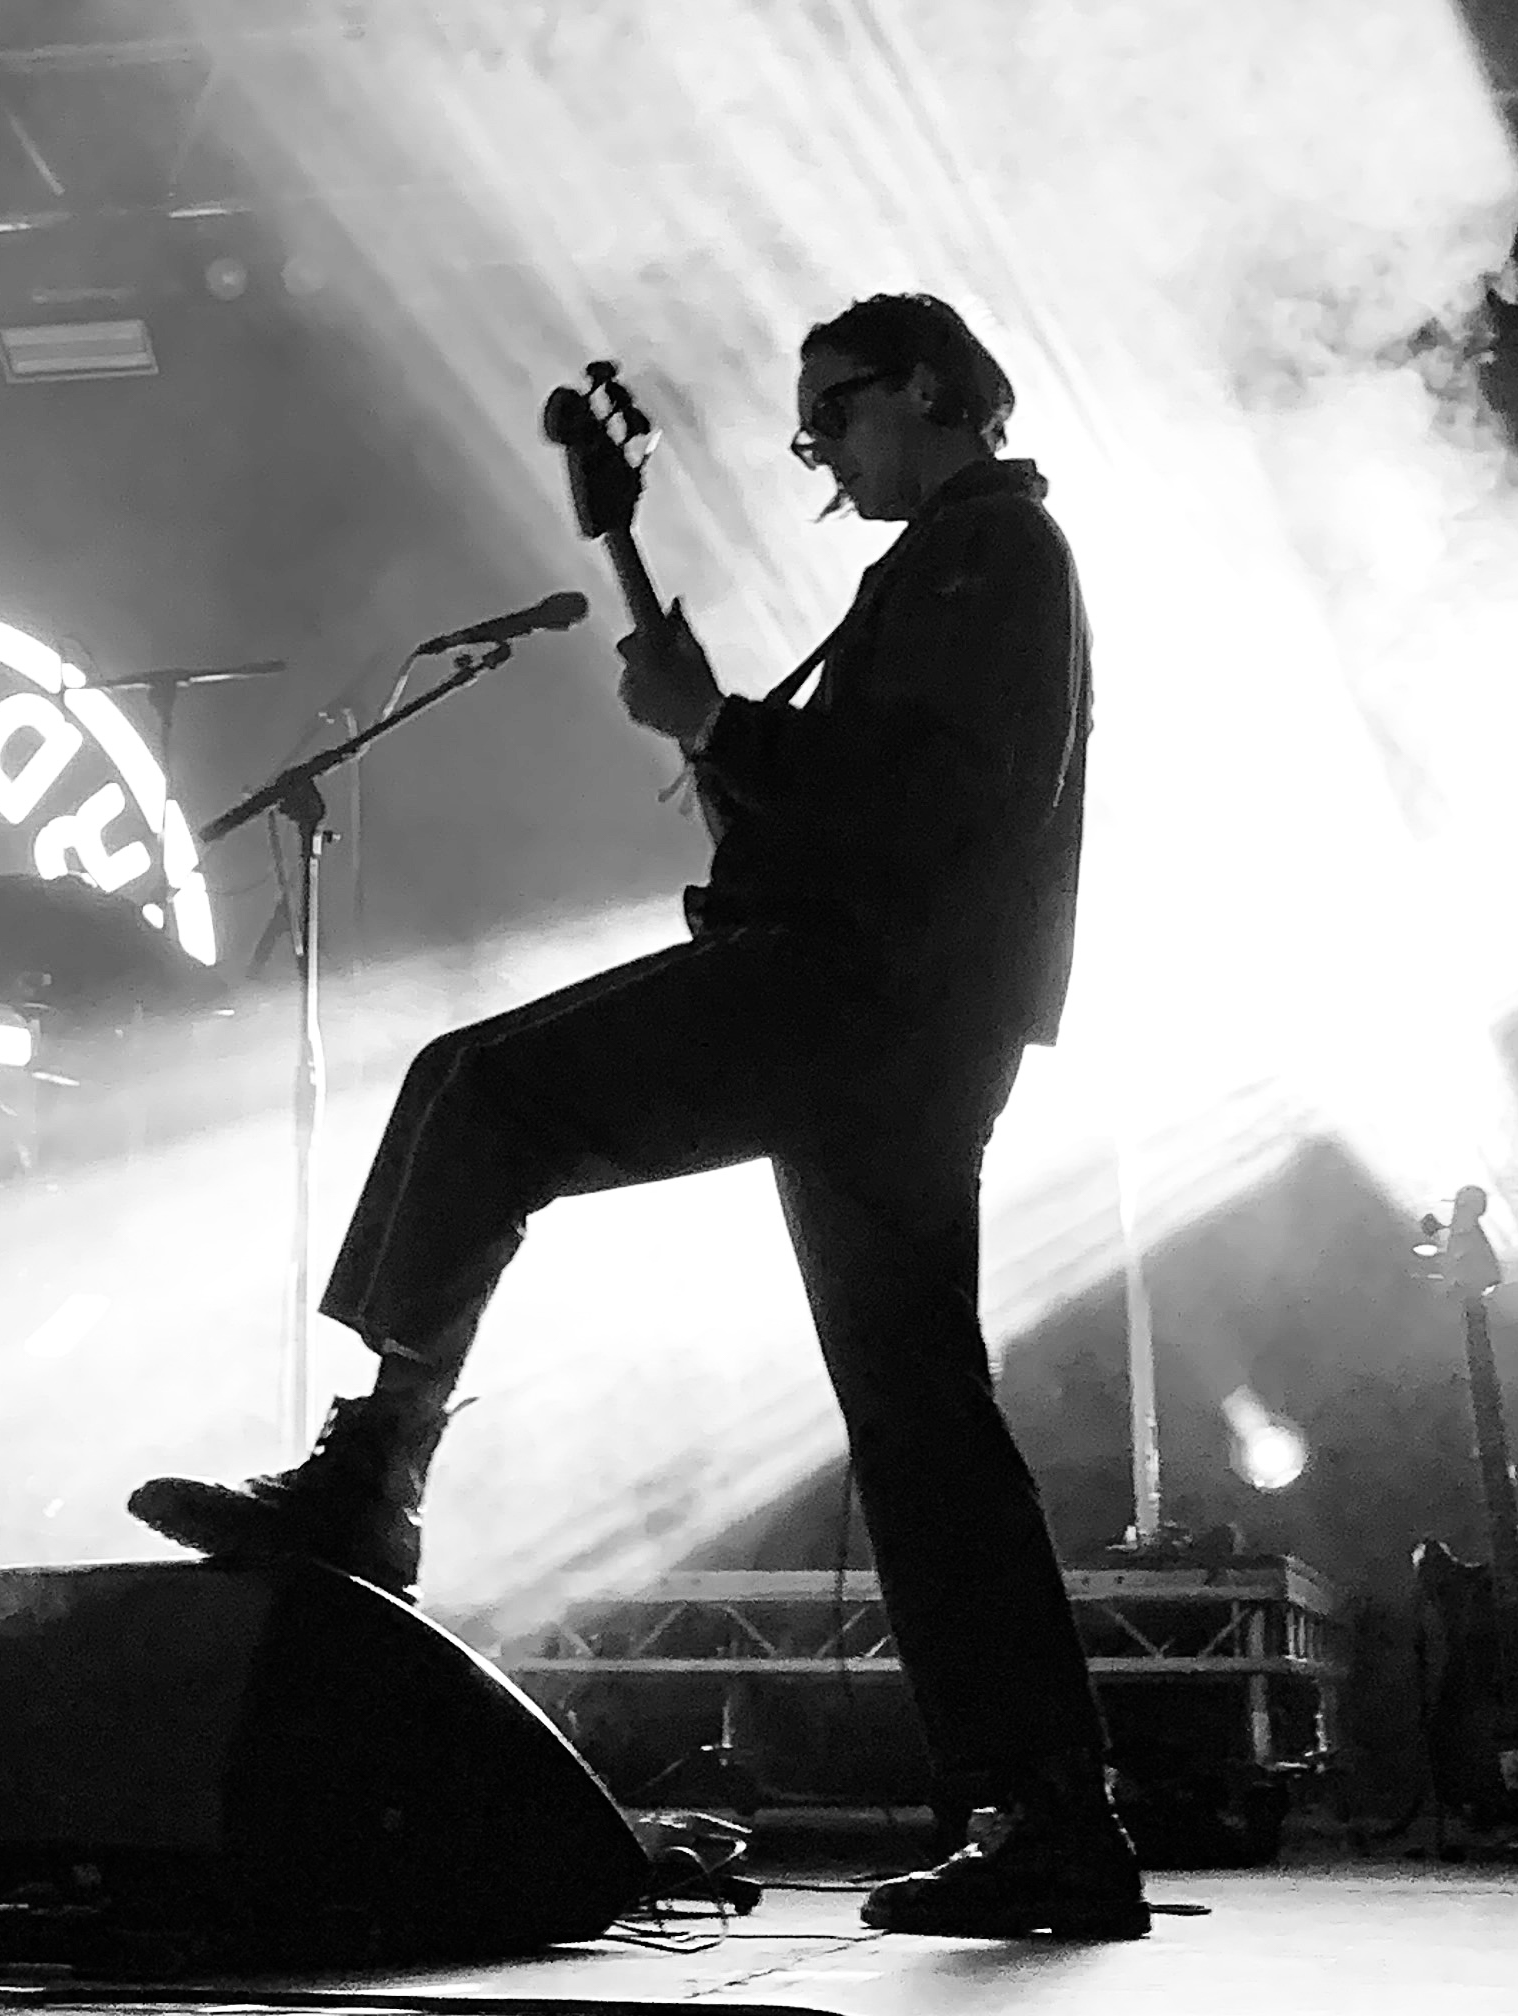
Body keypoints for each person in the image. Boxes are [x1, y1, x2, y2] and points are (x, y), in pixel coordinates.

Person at [129, 293, 1148, 1940]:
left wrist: (723, 725)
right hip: (901, 1024)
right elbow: (851, 805)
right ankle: (1053, 1819)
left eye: (836, 409)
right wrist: (721, 723)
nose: (814, 443)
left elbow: (926, 814)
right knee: (919, 1416)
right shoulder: (956, 565)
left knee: (486, 1087)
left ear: (938, 393)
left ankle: (375, 1473)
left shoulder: (994, 558)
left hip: (859, 1006)